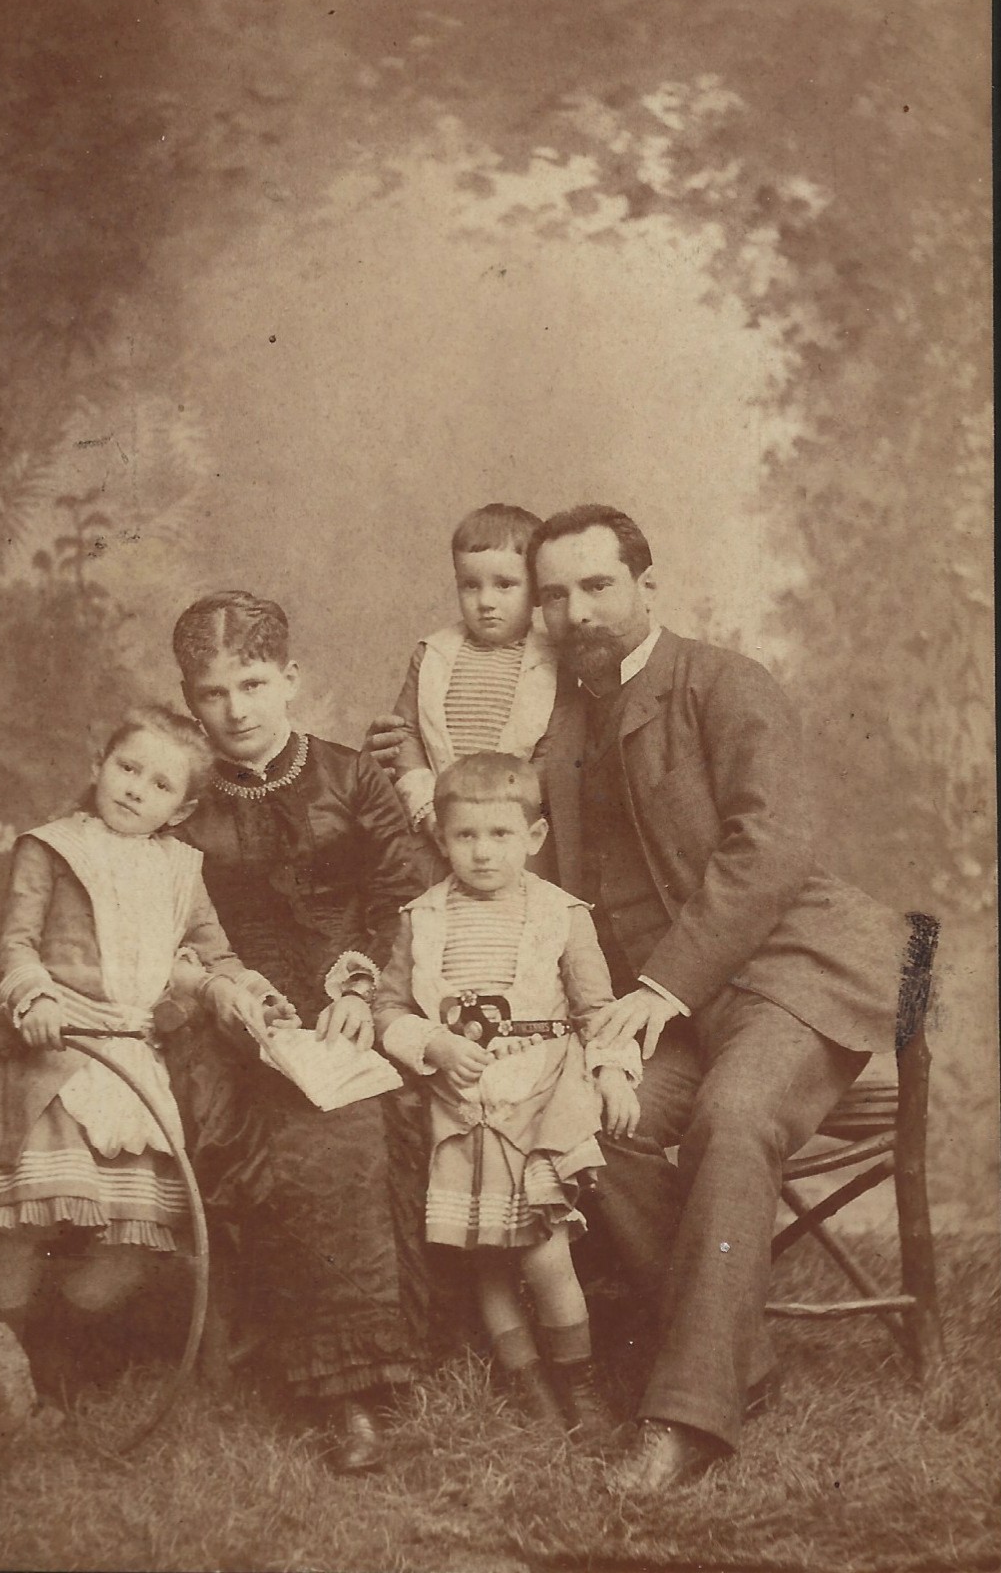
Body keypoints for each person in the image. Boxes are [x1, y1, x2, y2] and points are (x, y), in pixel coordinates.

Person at [525, 503, 909, 1493]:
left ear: (649, 586)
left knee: (735, 1118)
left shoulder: (725, 683)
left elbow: (773, 847)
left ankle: (685, 1420)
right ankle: (740, 1355)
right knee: (575, 1117)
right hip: (667, 1011)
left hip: (790, 974)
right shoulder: (561, 720)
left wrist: (661, 985)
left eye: (597, 584)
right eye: (555, 595)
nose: (577, 611)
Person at [0, 704, 265, 1397]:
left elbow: (212, 956)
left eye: (159, 784)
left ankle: (51, 1341)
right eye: (126, 768)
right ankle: (1, 1372)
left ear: (181, 808)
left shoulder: (180, 867)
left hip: (134, 1067)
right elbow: (16, 942)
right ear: (96, 766)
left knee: (131, 1245)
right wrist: (34, 996)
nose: (135, 789)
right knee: (16, 1229)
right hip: (55, 1055)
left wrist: (237, 990)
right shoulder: (52, 846)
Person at [168, 591, 428, 1474]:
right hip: (232, 1027)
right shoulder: (177, 799)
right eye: (211, 693)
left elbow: (406, 902)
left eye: (251, 683)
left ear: (290, 679)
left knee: (348, 1124)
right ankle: (333, 1387)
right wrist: (217, 989)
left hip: (356, 1012)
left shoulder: (354, 778)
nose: (235, 711)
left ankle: (367, 1380)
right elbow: (144, 924)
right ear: (188, 699)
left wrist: (365, 984)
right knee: (272, 1124)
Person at [373, 752, 640, 1435]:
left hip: (538, 1089)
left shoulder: (560, 914)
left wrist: (610, 1071)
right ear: (441, 839)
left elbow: (596, 1007)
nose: (482, 853)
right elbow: (388, 1008)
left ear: (534, 837)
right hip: (460, 1099)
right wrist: (431, 1045)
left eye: (499, 835)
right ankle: (531, 1390)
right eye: (465, 837)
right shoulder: (423, 916)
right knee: (486, 1257)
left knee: (543, 1250)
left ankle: (577, 1383)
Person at [385, 504, 557, 878]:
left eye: (505, 585)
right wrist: (430, 810)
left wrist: (509, 812)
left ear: (538, 590)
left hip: (514, 828)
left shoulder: (555, 660)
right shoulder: (433, 654)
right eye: (470, 585)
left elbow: (553, 748)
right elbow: (407, 735)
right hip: (440, 825)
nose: (486, 602)